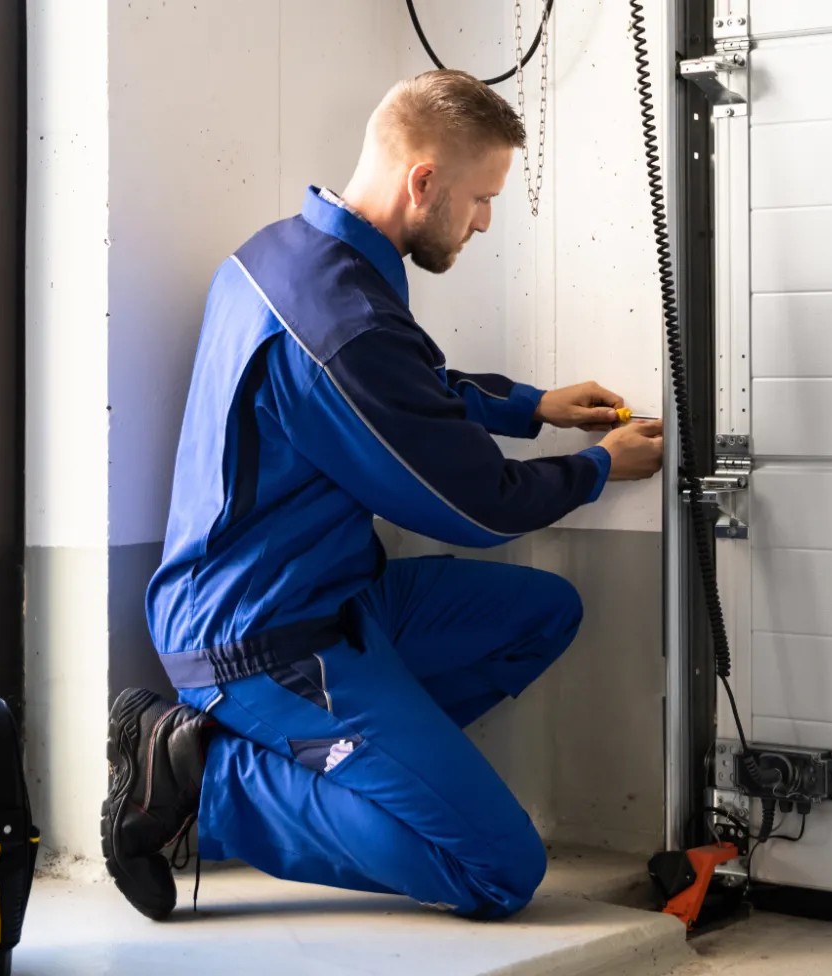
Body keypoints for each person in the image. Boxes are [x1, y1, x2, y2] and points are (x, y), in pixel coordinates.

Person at [101, 70, 663, 923]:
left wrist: (531, 407)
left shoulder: (286, 255)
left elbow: (406, 389)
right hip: (260, 639)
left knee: (543, 612)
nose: (482, 221)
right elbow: (479, 507)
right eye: (480, 198)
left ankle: (358, 772)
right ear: (424, 181)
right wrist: (595, 468)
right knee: (498, 870)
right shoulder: (339, 323)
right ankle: (205, 779)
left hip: (336, 596)